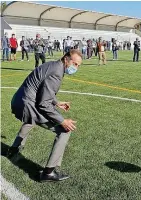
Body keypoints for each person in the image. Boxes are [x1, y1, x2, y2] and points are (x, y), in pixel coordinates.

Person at [7, 49, 82, 182]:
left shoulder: (53, 65)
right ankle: (49, 172)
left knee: (32, 119)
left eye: (78, 66)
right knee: (65, 130)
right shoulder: (57, 72)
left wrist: (56, 102)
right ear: (66, 59)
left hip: (19, 100)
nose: (76, 68)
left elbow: (42, 90)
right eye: (75, 64)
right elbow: (43, 104)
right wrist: (62, 121)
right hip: (26, 104)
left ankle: (13, 149)